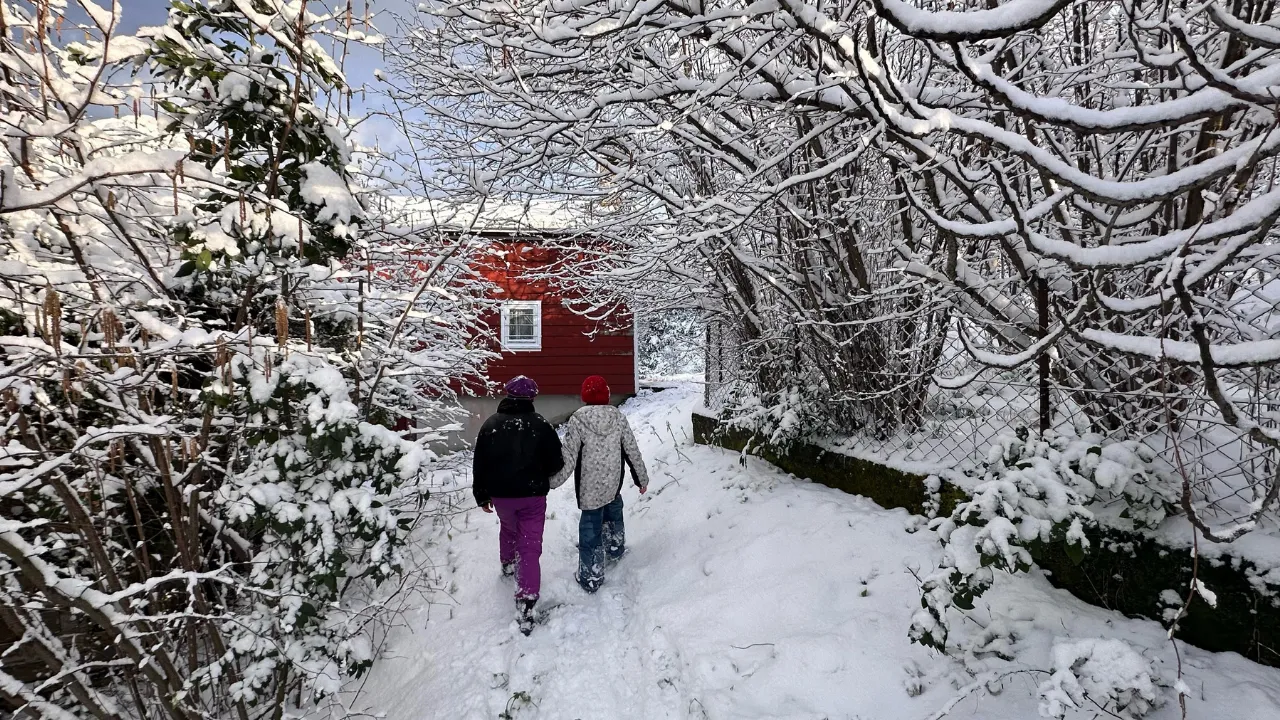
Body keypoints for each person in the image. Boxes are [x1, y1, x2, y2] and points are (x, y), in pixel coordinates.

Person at [472, 375, 564, 635]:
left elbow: (480, 463)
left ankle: (507, 564)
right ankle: (526, 601)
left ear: (507, 395)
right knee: (530, 545)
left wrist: (482, 495)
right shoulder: (540, 425)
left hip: (501, 496)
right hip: (532, 496)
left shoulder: (491, 425)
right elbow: (556, 462)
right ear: (532, 398)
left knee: (509, 528)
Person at [552, 375, 649, 593]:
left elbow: (568, 455)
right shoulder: (618, 417)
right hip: (613, 483)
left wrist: (552, 482)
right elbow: (631, 450)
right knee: (614, 513)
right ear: (606, 395)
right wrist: (641, 478)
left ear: (585, 396)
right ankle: (615, 547)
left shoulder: (577, 420)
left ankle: (591, 576)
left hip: (589, 489)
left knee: (590, 529)